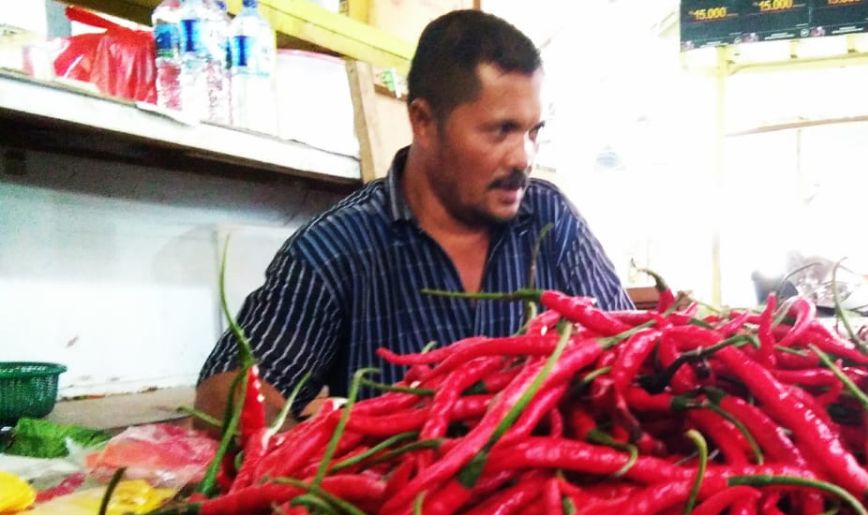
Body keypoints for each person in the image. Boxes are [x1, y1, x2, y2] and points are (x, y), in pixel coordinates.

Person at [196, 9, 632, 423]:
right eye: (501, 130)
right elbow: (224, 391)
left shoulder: (550, 220)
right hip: (401, 498)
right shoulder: (337, 250)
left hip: (550, 494)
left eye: (533, 131)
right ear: (423, 121)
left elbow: (632, 348)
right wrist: (301, 460)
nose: (524, 157)